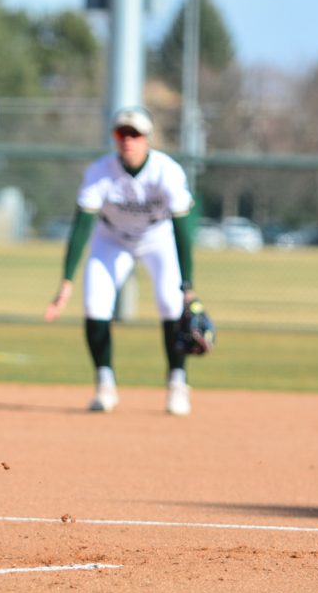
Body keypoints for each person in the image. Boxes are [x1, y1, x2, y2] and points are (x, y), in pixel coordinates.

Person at [44, 107, 201, 416]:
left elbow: (183, 229)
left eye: (135, 134)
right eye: (122, 133)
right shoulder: (99, 172)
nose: (128, 140)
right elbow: (81, 227)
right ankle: (104, 384)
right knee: (95, 304)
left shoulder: (167, 172)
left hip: (158, 238)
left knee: (171, 304)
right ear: (115, 138)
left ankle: (177, 384)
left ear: (147, 139)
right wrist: (66, 280)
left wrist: (189, 285)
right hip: (111, 239)